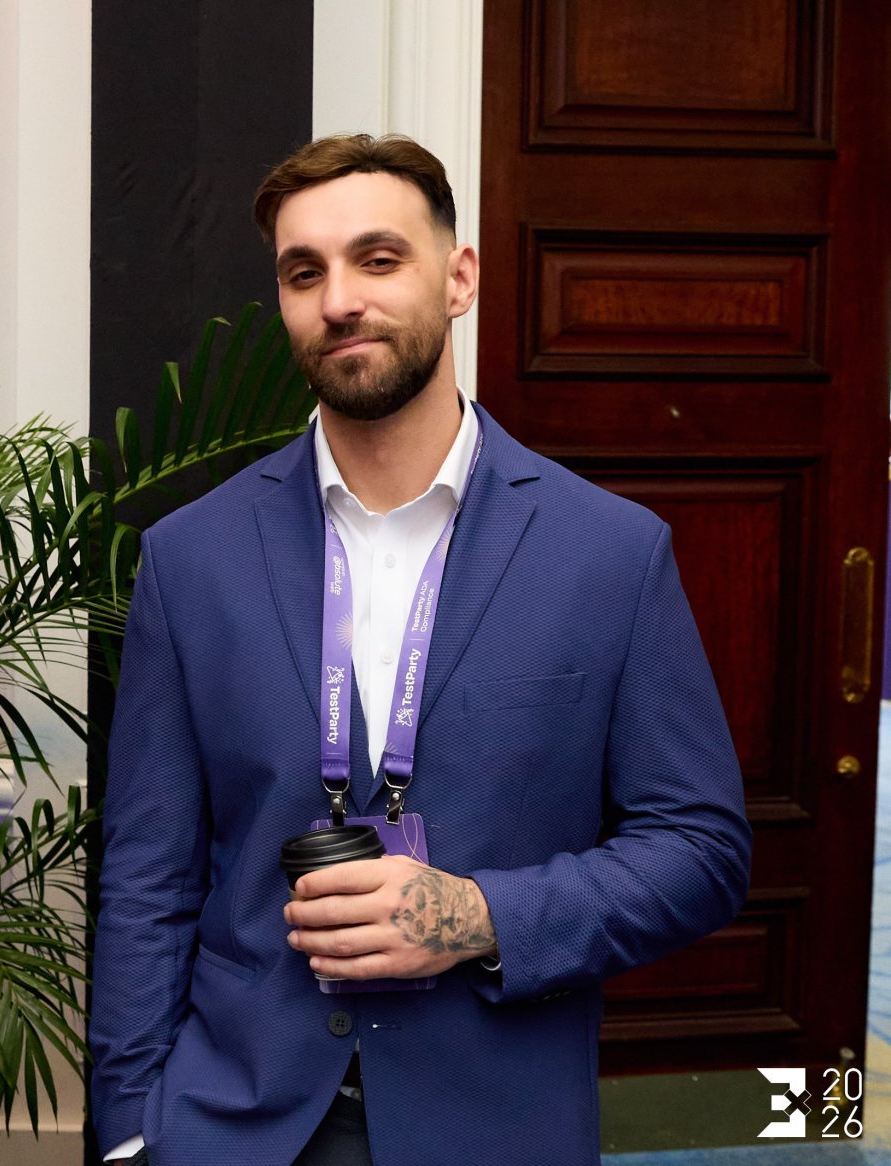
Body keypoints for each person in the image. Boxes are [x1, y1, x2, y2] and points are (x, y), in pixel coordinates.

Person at [87, 133, 751, 1166]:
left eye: (378, 258)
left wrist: (479, 914)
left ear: (458, 278)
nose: (339, 300)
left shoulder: (609, 553)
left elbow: (700, 850)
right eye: (303, 273)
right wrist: (130, 1128)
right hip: (235, 1122)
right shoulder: (191, 558)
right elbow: (148, 872)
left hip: (495, 1124)